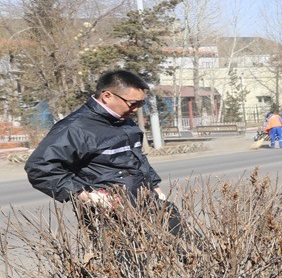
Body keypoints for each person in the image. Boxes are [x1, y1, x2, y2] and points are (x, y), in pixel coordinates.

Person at [24, 69, 179, 233]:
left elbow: (136, 158)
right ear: (107, 96)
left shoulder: (124, 121)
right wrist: (86, 195)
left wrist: (155, 188)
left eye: (140, 104)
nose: (136, 109)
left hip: (147, 201)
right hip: (111, 215)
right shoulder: (75, 128)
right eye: (132, 103)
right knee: (128, 258)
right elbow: (39, 168)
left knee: (189, 249)